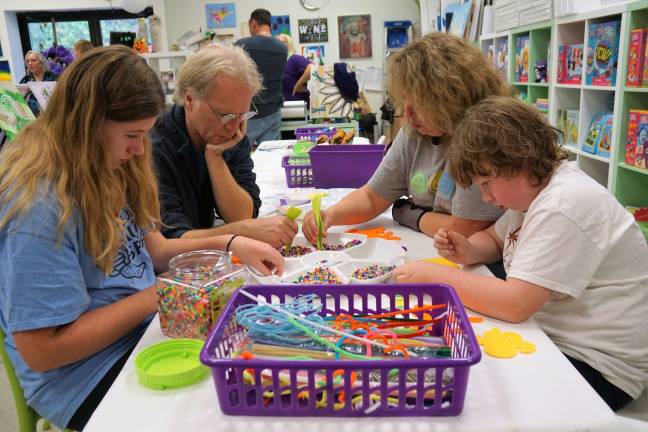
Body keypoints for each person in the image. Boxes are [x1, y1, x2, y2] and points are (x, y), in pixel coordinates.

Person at [0, 45, 284, 431]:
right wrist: (160, 294)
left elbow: (156, 248)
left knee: (260, 369)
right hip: (85, 376)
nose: (138, 151)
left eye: (145, 135)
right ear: (85, 124)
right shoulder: (37, 207)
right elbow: (44, 350)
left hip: (145, 332)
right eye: (132, 135)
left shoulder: (108, 164)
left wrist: (230, 244)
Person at [394, 96, 648, 411]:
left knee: (480, 398)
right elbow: (497, 239)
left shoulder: (563, 204)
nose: (486, 196)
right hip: (554, 337)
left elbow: (515, 304)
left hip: (599, 368)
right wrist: (470, 249)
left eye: (486, 183)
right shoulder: (531, 193)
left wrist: (437, 276)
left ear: (520, 160)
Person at [302, 33, 508, 248]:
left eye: (418, 104)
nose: (407, 115)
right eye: (404, 101)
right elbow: (372, 197)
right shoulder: (416, 132)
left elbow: (465, 230)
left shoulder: (485, 137)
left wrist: (410, 215)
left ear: (451, 98)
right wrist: (331, 215)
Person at [150, 43, 297, 248]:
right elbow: (170, 239)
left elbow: (242, 215)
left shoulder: (231, 132)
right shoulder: (154, 147)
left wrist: (215, 158)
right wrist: (240, 232)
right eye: (224, 115)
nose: (233, 127)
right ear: (190, 99)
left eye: (242, 115)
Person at [236, 8, 288, 148]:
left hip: (250, 112)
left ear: (253, 23)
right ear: (269, 25)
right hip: (273, 110)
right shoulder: (282, 48)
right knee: (270, 156)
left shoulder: (242, 45)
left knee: (242, 157)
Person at [276, 33, 312, 106]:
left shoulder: (295, 59)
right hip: (283, 109)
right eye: (276, 43)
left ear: (288, 44)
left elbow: (312, 68)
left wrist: (298, 85)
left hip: (299, 108)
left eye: (282, 42)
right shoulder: (277, 63)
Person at [19, 50, 58, 116]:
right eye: (28, 61)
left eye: (33, 60)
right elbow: (19, 101)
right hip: (31, 118)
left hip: (51, 116)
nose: (30, 63)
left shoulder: (53, 78)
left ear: (41, 62)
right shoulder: (25, 80)